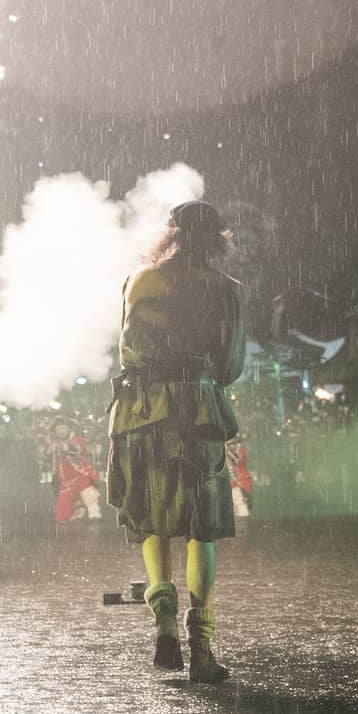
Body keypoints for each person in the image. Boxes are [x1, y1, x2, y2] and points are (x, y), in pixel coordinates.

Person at [104, 200, 246, 683]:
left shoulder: (140, 280)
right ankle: (201, 650)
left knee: (150, 516)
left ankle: (162, 615)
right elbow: (230, 367)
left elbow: (127, 348)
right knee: (198, 528)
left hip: (142, 412)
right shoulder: (226, 291)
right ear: (216, 238)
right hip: (197, 412)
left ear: (171, 234)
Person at [42, 413, 101, 528]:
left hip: (80, 476)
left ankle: (93, 512)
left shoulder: (77, 439)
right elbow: (46, 457)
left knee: (87, 491)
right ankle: (78, 509)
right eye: (58, 429)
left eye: (63, 428)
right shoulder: (56, 443)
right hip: (66, 482)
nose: (60, 431)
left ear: (70, 428)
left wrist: (65, 447)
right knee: (61, 516)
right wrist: (50, 451)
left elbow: (78, 449)